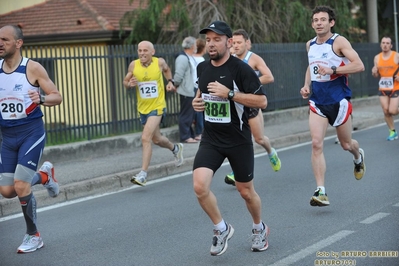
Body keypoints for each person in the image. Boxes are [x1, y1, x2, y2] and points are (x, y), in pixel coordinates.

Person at [192, 20, 270, 256]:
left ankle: (259, 228)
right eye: (208, 40)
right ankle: (221, 228)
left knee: (245, 191)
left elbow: (262, 102)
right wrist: (197, 103)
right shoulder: (202, 68)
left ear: (228, 42)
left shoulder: (241, 70)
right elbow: (201, 94)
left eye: (217, 39)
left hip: (238, 139)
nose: (211, 44)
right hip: (212, 139)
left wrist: (231, 94)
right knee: (199, 186)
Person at [0, 25, 63, 253]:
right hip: (7, 137)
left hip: (31, 133)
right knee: (7, 190)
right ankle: (45, 176)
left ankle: (33, 235)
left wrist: (41, 99)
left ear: (18, 43)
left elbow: (58, 96)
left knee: (20, 184)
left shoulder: (32, 68)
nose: (0, 43)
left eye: (5, 39)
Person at [300, 6, 366, 207]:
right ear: (312, 24)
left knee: (346, 145)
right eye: (315, 20)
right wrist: (306, 85)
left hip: (339, 100)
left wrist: (334, 69)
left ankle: (358, 155)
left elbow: (359, 65)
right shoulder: (310, 44)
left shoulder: (338, 42)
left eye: (323, 19)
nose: (319, 23)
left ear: (331, 22)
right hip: (318, 102)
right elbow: (311, 67)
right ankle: (321, 190)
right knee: (316, 143)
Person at [224, 29, 281, 186]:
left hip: (252, 103)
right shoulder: (229, 59)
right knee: (238, 140)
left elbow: (269, 77)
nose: (235, 46)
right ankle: (237, 171)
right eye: (233, 43)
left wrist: (250, 82)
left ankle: (271, 152)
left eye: (239, 43)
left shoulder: (253, 59)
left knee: (259, 139)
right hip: (235, 105)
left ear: (247, 43)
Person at [123, 40, 184, 186]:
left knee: (145, 138)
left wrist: (170, 82)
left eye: (145, 50)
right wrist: (129, 84)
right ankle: (176, 148)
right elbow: (125, 81)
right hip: (142, 108)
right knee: (156, 139)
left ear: (152, 52)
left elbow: (167, 70)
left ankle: (143, 174)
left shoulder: (159, 62)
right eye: (140, 50)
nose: (142, 53)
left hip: (157, 106)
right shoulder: (134, 65)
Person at [371, 36, 399, 141]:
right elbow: (376, 74)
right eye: (383, 43)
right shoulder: (377, 58)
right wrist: (374, 72)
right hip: (383, 87)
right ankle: (392, 131)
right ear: (381, 45)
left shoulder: (396, 56)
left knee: (392, 110)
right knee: (386, 110)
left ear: (391, 45)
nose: (385, 45)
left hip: (396, 87)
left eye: (387, 43)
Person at [173, 36, 198, 143]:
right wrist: (175, 84)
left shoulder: (189, 56)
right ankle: (185, 137)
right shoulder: (182, 58)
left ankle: (190, 135)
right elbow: (179, 74)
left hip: (191, 89)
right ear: (192, 46)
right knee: (186, 114)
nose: (196, 46)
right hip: (186, 90)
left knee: (190, 114)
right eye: (195, 44)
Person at [192, 38, 206, 141]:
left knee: (195, 109)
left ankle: (196, 131)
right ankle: (199, 132)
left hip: (192, 85)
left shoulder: (192, 58)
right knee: (200, 110)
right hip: (198, 86)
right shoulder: (201, 60)